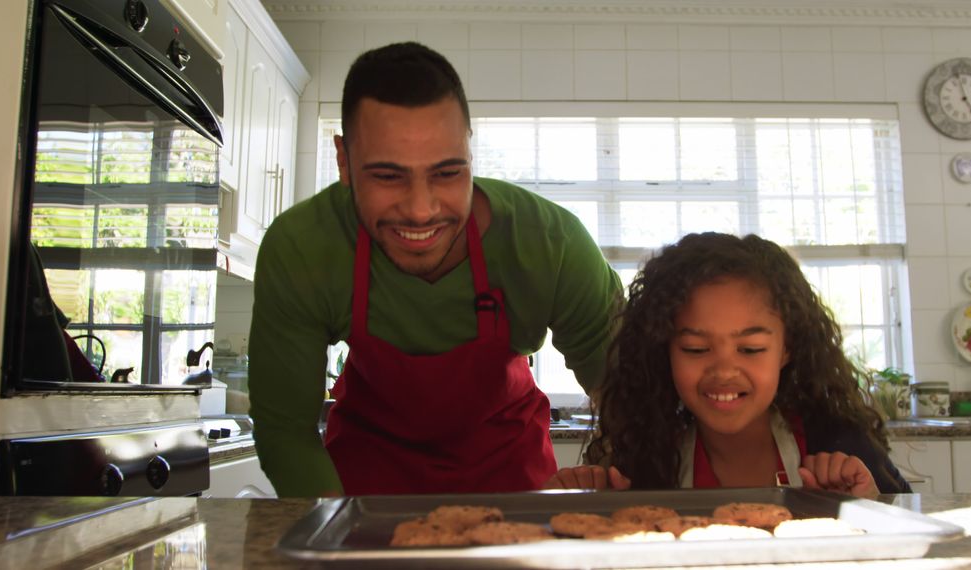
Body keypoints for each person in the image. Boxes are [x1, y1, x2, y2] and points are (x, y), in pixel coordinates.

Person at [248, 42, 623, 498]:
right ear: (343, 161)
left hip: (512, 489)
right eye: (388, 176)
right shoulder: (302, 248)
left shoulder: (551, 244)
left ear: (469, 150)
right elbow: (285, 431)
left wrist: (619, 481)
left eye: (447, 173)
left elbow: (627, 393)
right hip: (364, 491)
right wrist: (337, 536)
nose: (421, 211)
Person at [544, 233, 911, 498]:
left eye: (750, 349)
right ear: (664, 352)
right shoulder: (646, 455)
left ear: (787, 349)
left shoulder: (840, 445)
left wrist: (871, 506)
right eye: (696, 348)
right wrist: (589, 508)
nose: (723, 371)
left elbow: (914, 541)